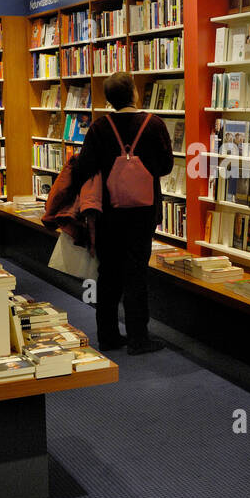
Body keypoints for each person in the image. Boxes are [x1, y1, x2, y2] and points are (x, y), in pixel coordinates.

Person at [71, 72, 175, 355]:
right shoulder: (153, 124)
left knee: (108, 274)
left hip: (108, 213)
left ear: (109, 99)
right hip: (143, 213)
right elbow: (166, 166)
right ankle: (139, 337)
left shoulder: (99, 127)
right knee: (136, 274)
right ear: (133, 93)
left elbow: (85, 166)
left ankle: (108, 336)